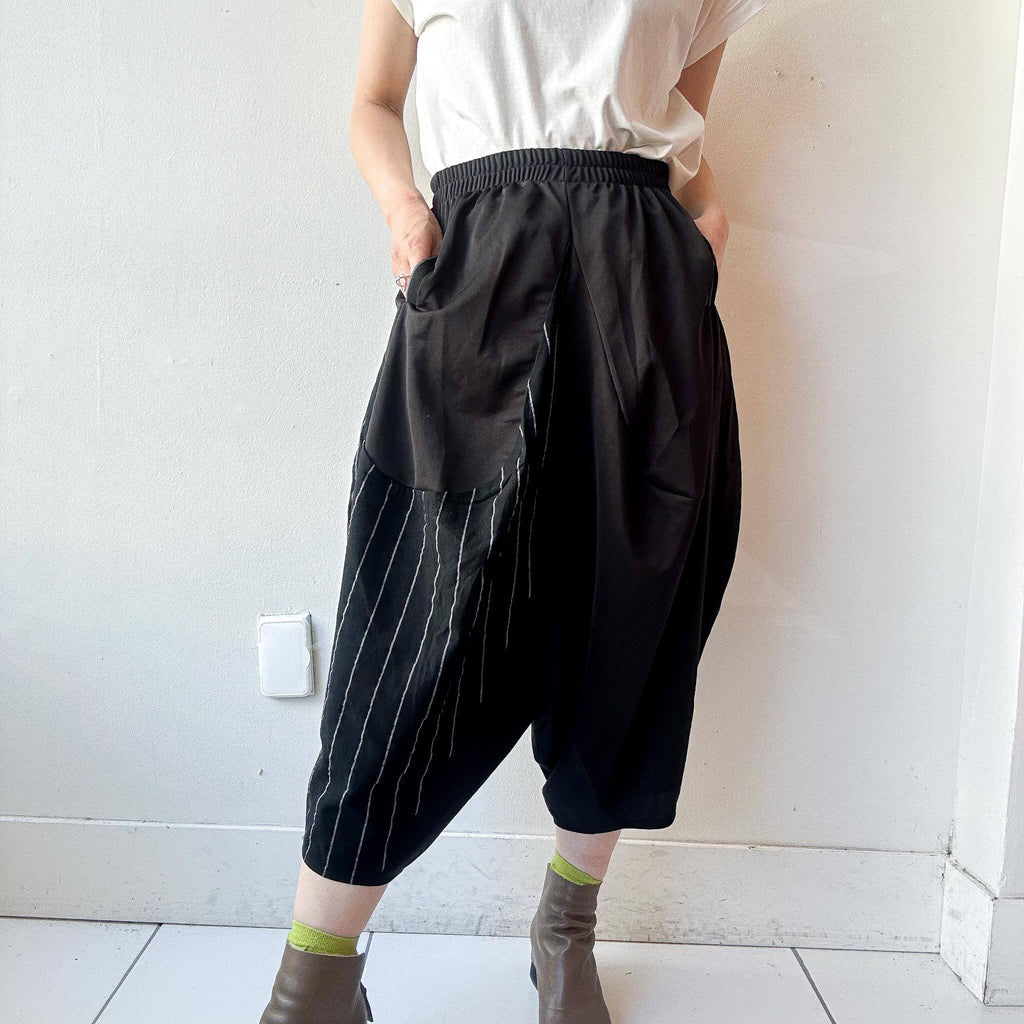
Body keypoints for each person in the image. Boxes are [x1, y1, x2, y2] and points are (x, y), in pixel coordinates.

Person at [260, 0, 766, 1019]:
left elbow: (683, 131)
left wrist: (705, 231)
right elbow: (374, 101)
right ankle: (314, 979)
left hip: (645, 282)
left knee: (630, 624)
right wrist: (405, 213)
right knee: (414, 631)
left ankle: (566, 927)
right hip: (477, 259)